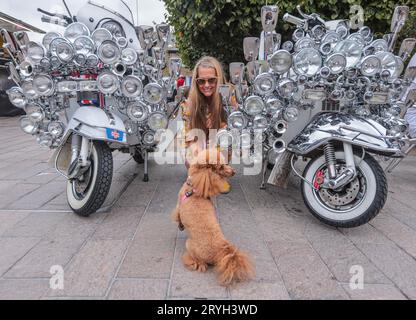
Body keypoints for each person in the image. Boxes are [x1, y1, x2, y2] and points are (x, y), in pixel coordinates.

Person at [181, 56, 229, 168]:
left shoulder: (228, 98)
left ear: (219, 79)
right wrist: (194, 149)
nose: (206, 85)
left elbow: (237, 130)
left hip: (220, 143)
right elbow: (187, 133)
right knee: (191, 158)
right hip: (200, 142)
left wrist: (223, 128)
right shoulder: (189, 103)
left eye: (212, 80)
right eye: (201, 81)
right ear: (196, 82)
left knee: (217, 163)